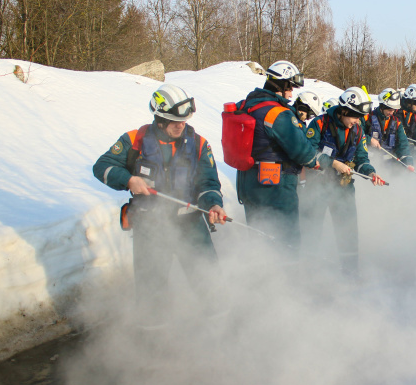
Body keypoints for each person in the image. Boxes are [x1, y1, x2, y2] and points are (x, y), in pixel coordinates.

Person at [93, 84, 227, 328]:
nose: (181, 126)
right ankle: (153, 337)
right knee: (151, 293)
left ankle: (221, 330)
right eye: (174, 121)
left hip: (190, 224)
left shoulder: (199, 144)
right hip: (150, 226)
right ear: (160, 118)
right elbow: (102, 166)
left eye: (184, 121)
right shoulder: (134, 140)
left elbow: (208, 183)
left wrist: (214, 204)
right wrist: (128, 180)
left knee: (209, 282)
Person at [235, 61, 331, 249]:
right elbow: (302, 151)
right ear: (280, 84)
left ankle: (258, 267)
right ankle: (288, 268)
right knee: (287, 240)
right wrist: (318, 162)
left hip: (247, 182)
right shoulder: (278, 113)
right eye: (290, 88)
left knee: (258, 238)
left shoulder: (246, 105)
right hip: (276, 186)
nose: (291, 94)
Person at [303, 87, 387, 276]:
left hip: (343, 187)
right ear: (344, 111)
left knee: (348, 230)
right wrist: (333, 163)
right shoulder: (319, 124)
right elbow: (307, 152)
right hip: (317, 185)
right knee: (311, 228)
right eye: (355, 116)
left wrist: (371, 172)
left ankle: (350, 273)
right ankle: (308, 273)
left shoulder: (358, 130)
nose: (358, 121)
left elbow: (361, 158)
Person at [362, 88, 414, 172]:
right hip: (369, 165)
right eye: (389, 110)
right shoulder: (367, 118)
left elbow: (403, 144)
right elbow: (356, 136)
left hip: (389, 167)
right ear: (382, 106)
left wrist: (408, 162)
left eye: (393, 110)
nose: (391, 113)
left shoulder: (397, 123)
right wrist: (368, 139)